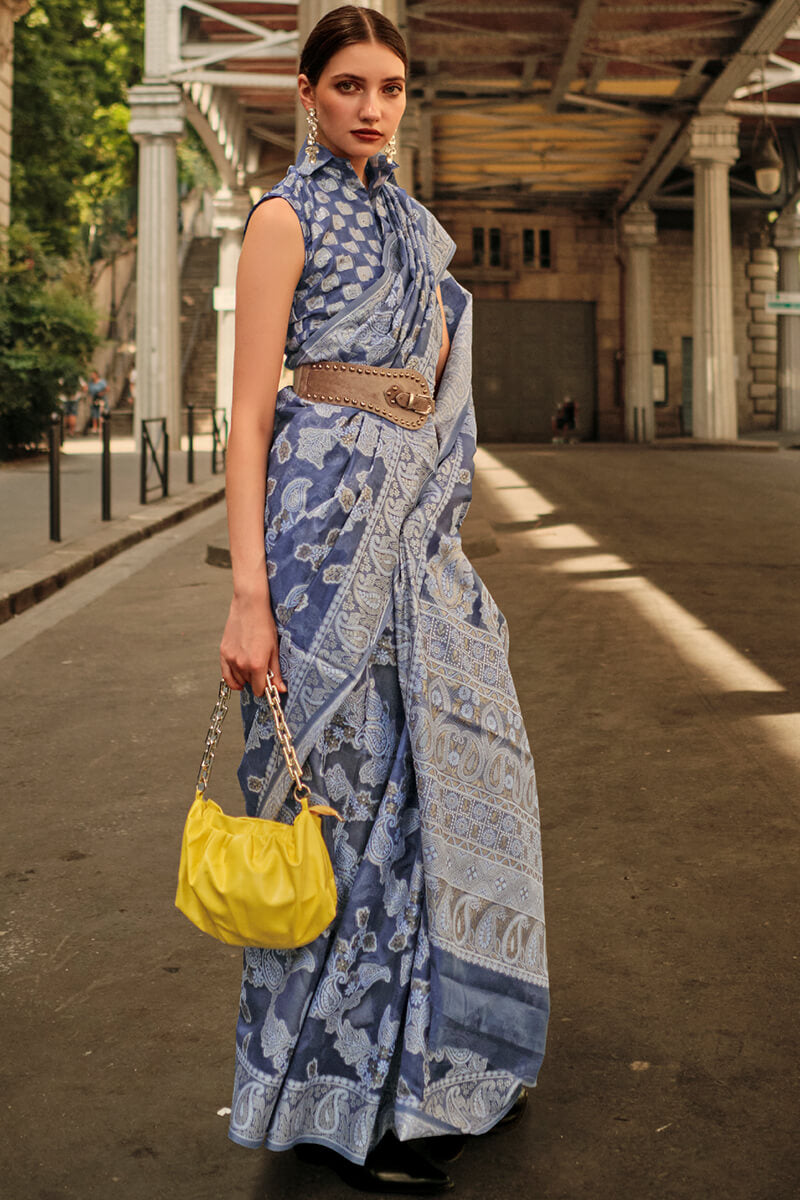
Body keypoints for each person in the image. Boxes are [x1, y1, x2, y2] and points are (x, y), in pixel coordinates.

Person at [219, 7, 549, 1194]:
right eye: (347, 84)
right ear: (303, 93)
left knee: (437, 801)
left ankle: (435, 1069)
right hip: (314, 550)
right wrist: (249, 595)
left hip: (417, 550)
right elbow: (251, 413)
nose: (371, 105)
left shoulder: (417, 228)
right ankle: (334, 1108)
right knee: (341, 820)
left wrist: (440, 539)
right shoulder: (280, 218)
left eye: (391, 86)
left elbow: (436, 399)